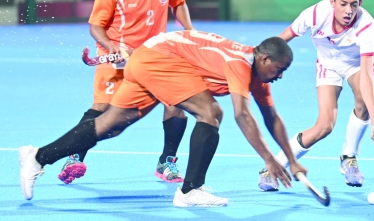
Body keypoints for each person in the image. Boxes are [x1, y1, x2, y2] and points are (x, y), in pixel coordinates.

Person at [19, 31, 307, 207]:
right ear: (265, 59)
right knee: (211, 112)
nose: (280, 76)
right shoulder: (239, 64)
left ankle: (38, 156)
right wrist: (269, 160)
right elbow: (242, 115)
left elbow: (272, 117)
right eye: (280, 69)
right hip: (159, 58)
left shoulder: (259, 76)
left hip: (150, 57)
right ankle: (190, 190)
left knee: (111, 125)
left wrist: (291, 159)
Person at [57, 0, 194, 186]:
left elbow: (179, 3)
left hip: (153, 58)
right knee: (102, 111)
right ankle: (74, 156)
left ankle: (167, 162)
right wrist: (112, 47)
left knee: (176, 102)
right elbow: (95, 26)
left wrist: (189, 32)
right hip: (117, 59)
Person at [257, 0, 374, 191]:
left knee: (363, 100)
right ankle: (273, 166)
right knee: (324, 126)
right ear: (333, 1)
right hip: (328, 63)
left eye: (353, 5)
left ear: (360, 4)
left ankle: (349, 157)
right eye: (343, 4)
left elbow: (366, 76)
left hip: (355, 64)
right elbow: (283, 38)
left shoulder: (366, 26)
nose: (348, 11)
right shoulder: (315, 14)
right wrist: (259, 60)